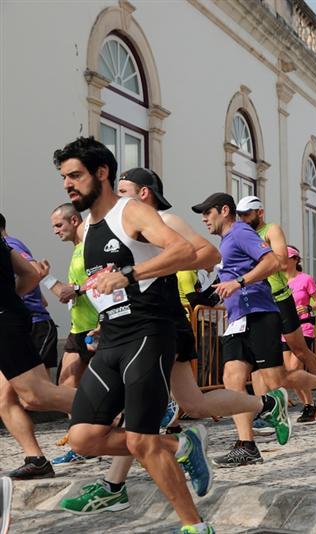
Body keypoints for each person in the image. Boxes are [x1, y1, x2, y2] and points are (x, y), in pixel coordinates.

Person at [57, 170, 290, 516]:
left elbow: (207, 255)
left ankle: (117, 485)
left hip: (164, 322)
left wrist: (154, 268)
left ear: (144, 193)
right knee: (190, 404)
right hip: (134, 325)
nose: (117, 197)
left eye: (124, 190)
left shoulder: (163, 219)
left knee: (142, 416)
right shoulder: (111, 224)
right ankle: (267, 406)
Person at [54, 137, 214, 534]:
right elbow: (101, 283)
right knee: (83, 437)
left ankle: (195, 527)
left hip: (148, 332)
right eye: (64, 178)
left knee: (142, 440)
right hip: (111, 337)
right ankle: (182, 446)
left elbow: (183, 252)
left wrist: (128, 274)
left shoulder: (133, 211)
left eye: (75, 175)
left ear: (101, 173)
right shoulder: (88, 225)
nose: (68, 184)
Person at [193, 193, 316, 467]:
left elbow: (271, 262)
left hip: (258, 313)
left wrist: (240, 282)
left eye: (207, 213)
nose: (204, 219)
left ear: (224, 210)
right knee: (232, 377)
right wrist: (207, 295)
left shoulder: (241, 231)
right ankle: (247, 445)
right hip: (237, 316)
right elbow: (229, 278)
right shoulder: (227, 241)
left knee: (278, 379)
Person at [235, 196, 316, 421]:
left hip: (280, 299)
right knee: (259, 364)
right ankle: (268, 412)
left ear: (259, 212)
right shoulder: (241, 234)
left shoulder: (271, 229)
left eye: (246, 214)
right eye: (239, 215)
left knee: (300, 352)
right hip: (257, 305)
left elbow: (280, 261)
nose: (242, 219)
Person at [0, 220, 75, 481]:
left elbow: (32, 274)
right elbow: (31, 275)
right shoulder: (6, 245)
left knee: (36, 396)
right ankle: (36, 460)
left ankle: (121, 409)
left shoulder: (10, 244)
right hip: (12, 318)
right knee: (5, 401)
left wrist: (8, 301)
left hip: (10, 323)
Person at [44, 203, 100, 466]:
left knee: (103, 388)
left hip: (98, 328)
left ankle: (124, 434)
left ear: (75, 220)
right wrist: (46, 279)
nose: (55, 231)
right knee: (66, 388)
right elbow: (71, 292)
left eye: (59, 225)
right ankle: (81, 443)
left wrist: (76, 288)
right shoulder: (76, 250)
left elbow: (104, 277)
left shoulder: (90, 246)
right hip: (77, 330)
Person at [0, 215, 59, 374]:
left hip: (35, 325)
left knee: (40, 392)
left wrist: (12, 297)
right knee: (13, 395)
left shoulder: (10, 244)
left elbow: (35, 271)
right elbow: (42, 299)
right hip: (24, 322)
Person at [283, 245, 316, 422]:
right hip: (283, 330)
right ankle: (310, 406)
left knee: (294, 369)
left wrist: (307, 307)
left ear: (294, 260)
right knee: (290, 375)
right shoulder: (277, 281)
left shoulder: (306, 279)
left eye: (286, 257)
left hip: (304, 328)